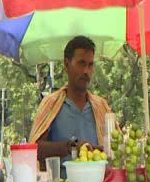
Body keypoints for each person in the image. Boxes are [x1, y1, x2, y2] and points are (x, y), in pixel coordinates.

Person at [30, 36, 114, 166]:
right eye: (81, 63)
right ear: (67, 64)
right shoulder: (51, 104)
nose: (86, 71)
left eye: (90, 65)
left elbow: (116, 148)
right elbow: (34, 149)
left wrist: (103, 151)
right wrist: (70, 147)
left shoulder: (101, 107)